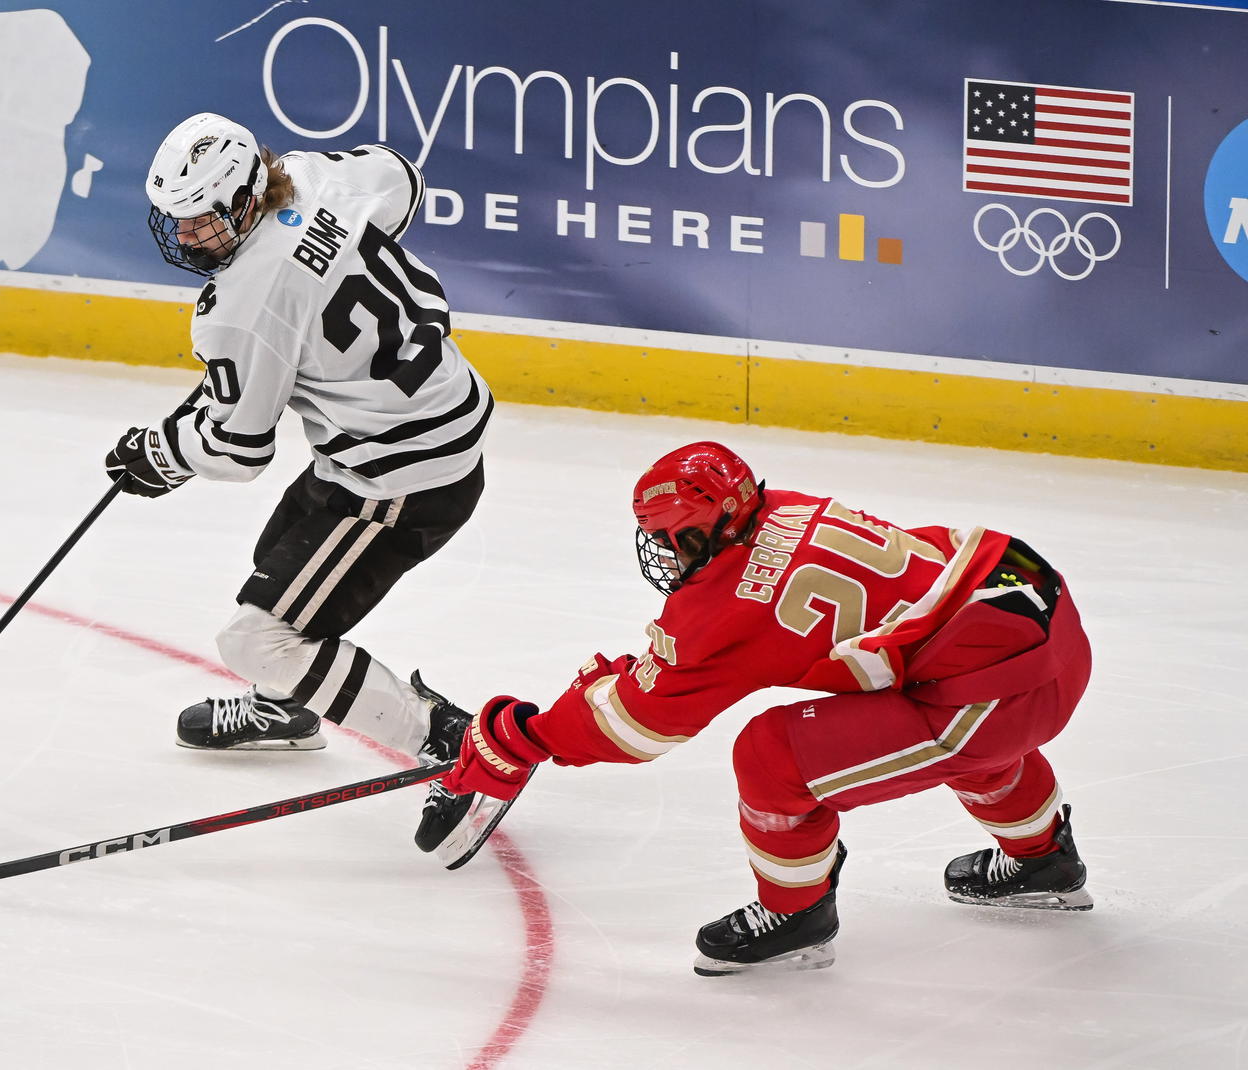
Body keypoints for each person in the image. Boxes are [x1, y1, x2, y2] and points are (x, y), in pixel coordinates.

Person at [434, 441, 1094, 974]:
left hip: (1003, 686)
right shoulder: (780, 508)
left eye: (664, 537)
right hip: (1031, 603)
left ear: (695, 533)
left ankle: (796, 915)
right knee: (926, 719)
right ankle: (1043, 859)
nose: (661, 552)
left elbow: (634, 725)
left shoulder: (727, 606)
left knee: (774, 755)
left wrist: (520, 736)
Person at [104, 112, 491, 845]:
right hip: (410, 426)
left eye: (204, 221)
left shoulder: (240, 310)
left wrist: (163, 452)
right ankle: (288, 706)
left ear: (248, 195)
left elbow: (240, 447)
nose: (186, 237)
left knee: (260, 638)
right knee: (280, 558)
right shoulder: (316, 175)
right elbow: (399, 178)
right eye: (177, 219)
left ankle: (456, 746)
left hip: (403, 477)